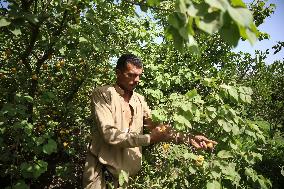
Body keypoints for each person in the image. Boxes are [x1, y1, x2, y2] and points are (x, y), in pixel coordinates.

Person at [83, 54, 217, 189]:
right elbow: (109, 134)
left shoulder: (139, 100)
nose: (137, 80)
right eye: (131, 75)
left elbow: (159, 129)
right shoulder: (103, 94)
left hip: (127, 179)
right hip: (100, 174)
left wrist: (189, 138)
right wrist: (149, 138)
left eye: (139, 75)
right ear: (118, 73)